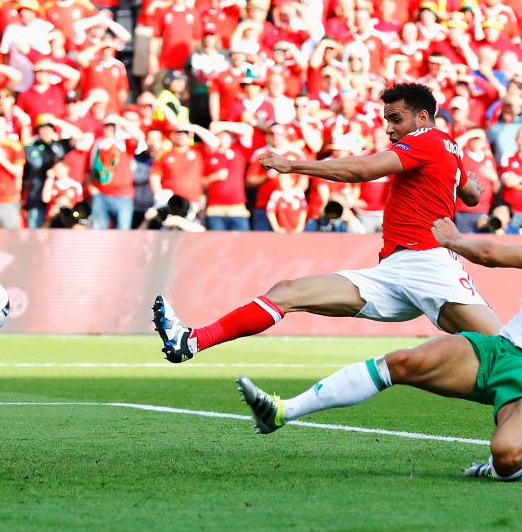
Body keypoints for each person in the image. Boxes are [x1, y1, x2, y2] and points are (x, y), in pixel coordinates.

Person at [236, 163, 522, 483]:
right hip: (500, 350)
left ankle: (512, 461)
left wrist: (453, 240)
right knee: (402, 362)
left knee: (506, 457)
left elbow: (492, 255)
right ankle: (281, 411)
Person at [154, 83, 500, 360]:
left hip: (428, 264)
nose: (390, 129)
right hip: (395, 271)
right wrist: (471, 186)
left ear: (423, 117)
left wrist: (293, 165)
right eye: (387, 120)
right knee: (287, 292)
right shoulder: (449, 148)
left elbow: (362, 169)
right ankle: (191, 341)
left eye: (396, 119)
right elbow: (470, 193)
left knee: (504, 349)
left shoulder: (427, 140)